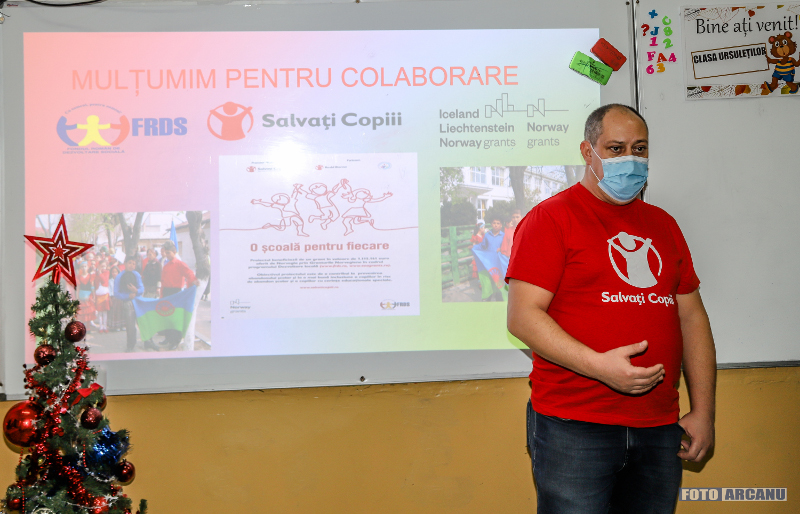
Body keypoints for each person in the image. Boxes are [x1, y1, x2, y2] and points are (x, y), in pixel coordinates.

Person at [506, 104, 716, 514]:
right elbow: (523, 317)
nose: (630, 159)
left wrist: (704, 411)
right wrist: (600, 367)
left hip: (659, 424)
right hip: (574, 426)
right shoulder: (551, 218)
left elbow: (692, 318)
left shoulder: (663, 225)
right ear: (588, 152)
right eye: (616, 149)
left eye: (640, 148)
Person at [159, 240, 197, 350]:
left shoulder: (180, 264)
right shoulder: (166, 266)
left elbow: (189, 273)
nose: (167, 255)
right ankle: (168, 338)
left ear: (174, 252)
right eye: (166, 253)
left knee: (175, 318)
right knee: (166, 316)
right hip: (166, 292)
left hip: (176, 293)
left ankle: (175, 341)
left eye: (169, 253)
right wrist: (161, 295)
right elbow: (163, 282)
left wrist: (193, 280)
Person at [114, 256, 144, 352]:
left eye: (134, 264)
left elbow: (142, 288)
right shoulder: (119, 276)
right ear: (125, 263)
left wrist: (137, 291)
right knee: (130, 325)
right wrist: (127, 296)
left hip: (138, 302)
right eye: (130, 263)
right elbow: (116, 293)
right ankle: (130, 345)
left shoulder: (137, 275)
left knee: (143, 322)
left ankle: (148, 341)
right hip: (127, 303)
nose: (132, 265)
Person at [93, 259, 111, 333]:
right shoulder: (96, 274)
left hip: (105, 294)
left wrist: (100, 273)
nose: (103, 268)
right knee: (100, 312)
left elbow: (103, 280)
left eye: (104, 266)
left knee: (105, 312)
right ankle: (101, 327)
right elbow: (94, 284)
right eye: (101, 266)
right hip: (98, 294)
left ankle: (105, 326)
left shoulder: (107, 272)